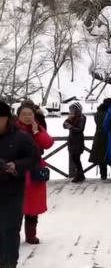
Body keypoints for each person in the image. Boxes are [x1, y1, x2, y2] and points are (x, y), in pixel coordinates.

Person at [0, 101, 38, 268]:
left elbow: (33, 157)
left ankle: (10, 265)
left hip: (13, 188)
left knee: (11, 228)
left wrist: (16, 165)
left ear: (7, 118)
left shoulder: (20, 137)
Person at [15, 103, 54, 245]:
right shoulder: (12, 129)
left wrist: (37, 131)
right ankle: (13, 235)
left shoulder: (37, 127)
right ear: (18, 116)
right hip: (17, 171)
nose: (27, 117)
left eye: (30, 114)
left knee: (33, 206)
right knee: (16, 206)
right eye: (24, 114)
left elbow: (48, 143)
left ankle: (31, 234)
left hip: (35, 171)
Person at [89, 98, 111, 180]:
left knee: (101, 156)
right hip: (109, 136)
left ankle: (103, 174)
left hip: (99, 136)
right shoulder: (109, 113)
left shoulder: (97, 114)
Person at [64, 102, 87, 183]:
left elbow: (80, 129)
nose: (70, 111)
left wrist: (70, 127)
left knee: (76, 158)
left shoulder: (81, 117)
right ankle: (80, 174)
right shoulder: (72, 117)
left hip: (78, 140)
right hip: (72, 140)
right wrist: (68, 119)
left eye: (71, 109)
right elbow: (64, 125)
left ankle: (80, 174)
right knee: (74, 157)